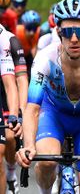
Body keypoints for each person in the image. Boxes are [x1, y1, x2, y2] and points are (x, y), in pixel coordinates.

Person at [15, 0, 80, 194]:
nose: (73, 39)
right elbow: (32, 108)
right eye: (67, 32)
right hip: (53, 113)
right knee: (46, 162)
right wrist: (28, 145)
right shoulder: (45, 57)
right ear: (58, 31)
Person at [0, 28, 28, 194]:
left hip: (4, 91)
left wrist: (17, 114)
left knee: (9, 138)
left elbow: (16, 83)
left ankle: (11, 173)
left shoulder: (7, 40)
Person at [15, 10, 41, 79]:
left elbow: (34, 50)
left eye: (34, 28)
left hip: (26, 55)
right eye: (29, 28)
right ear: (24, 26)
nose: (32, 33)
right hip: (15, 56)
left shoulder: (37, 33)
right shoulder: (17, 32)